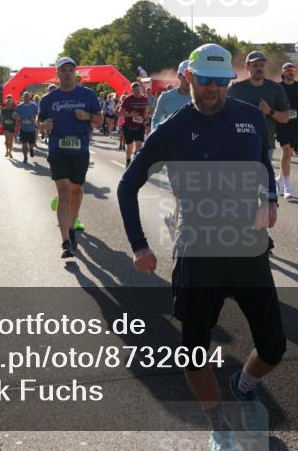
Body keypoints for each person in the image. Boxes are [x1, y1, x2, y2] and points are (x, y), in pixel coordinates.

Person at [117, 44, 284, 451]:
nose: (213, 89)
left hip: (248, 245)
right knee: (193, 352)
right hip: (198, 247)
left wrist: (270, 199)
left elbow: (263, 158)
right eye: (206, 80)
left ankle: (243, 385)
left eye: (221, 81)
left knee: (275, 347)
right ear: (189, 77)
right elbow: (127, 186)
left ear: (229, 81)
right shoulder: (171, 129)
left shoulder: (249, 117)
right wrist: (139, 246)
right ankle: (218, 425)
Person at [38, 58, 103, 258]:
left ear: (75, 73)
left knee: (76, 190)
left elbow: (100, 121)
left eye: (70, 70)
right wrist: (44, 126)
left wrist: (88, 117)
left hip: (80, 151)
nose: (67, 73)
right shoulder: (48, 99)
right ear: (57, 74)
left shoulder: (88, 95)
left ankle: (72, 224)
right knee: (64, 192)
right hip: (58, 150)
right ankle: (66, 241)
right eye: (63, 70)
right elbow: (39, 123)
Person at [151, 60, 195, 232]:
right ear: (179, 76)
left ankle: (173, 220)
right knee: (182, 196)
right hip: (175, 155)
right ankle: (181, 232)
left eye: (192, 77)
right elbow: (156, 119)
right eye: (185, 77)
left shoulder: (200, 97)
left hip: (198, 153)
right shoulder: (167, 97)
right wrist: (156, 136)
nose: (188, 81)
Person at [228, 52, 290, 170]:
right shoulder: (235, 89)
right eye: (255, 65)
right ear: (247, 67)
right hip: (240, 143)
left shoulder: (276, 88)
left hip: (265, 144)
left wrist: (269, 111)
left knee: (261, 183)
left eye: (262, 65)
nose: (259, 68)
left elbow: (286, 117)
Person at [276, 62, 298, 201]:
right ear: (283, 72)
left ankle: (279, 179)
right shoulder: (278, 87)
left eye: (293, 70)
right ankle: (287, 188)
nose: (291, 72)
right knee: (285, 152)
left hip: (296, 124)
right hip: (282, 123)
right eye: (288, 70)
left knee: (289, 154)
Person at [121, 83, 149, 167]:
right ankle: (128, 158)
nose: (138, 92)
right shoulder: (127, 99)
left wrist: (146, 118)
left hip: (140, 126)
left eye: (139, 90)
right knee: (129, 147)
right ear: (132, 91)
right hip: (128, 126)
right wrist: (130, 115)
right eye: (136, 90)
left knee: (139, 146)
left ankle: (135, 163)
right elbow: (121, 112)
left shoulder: (145, 99)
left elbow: (146, 111)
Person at [14, 92, 39, 164]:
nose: (26, 98)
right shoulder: (19, 106)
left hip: (31, 129)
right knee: (24, 144)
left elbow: (37, 114)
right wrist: (17, 117)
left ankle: (31, 148)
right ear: (23, 97)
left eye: (27, 96)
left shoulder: (34, 106)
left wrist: (34, 118)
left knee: (31, 143)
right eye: (25, 96)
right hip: (23, 129)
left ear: (30, 97)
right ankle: (25, 157)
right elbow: (15, 114)